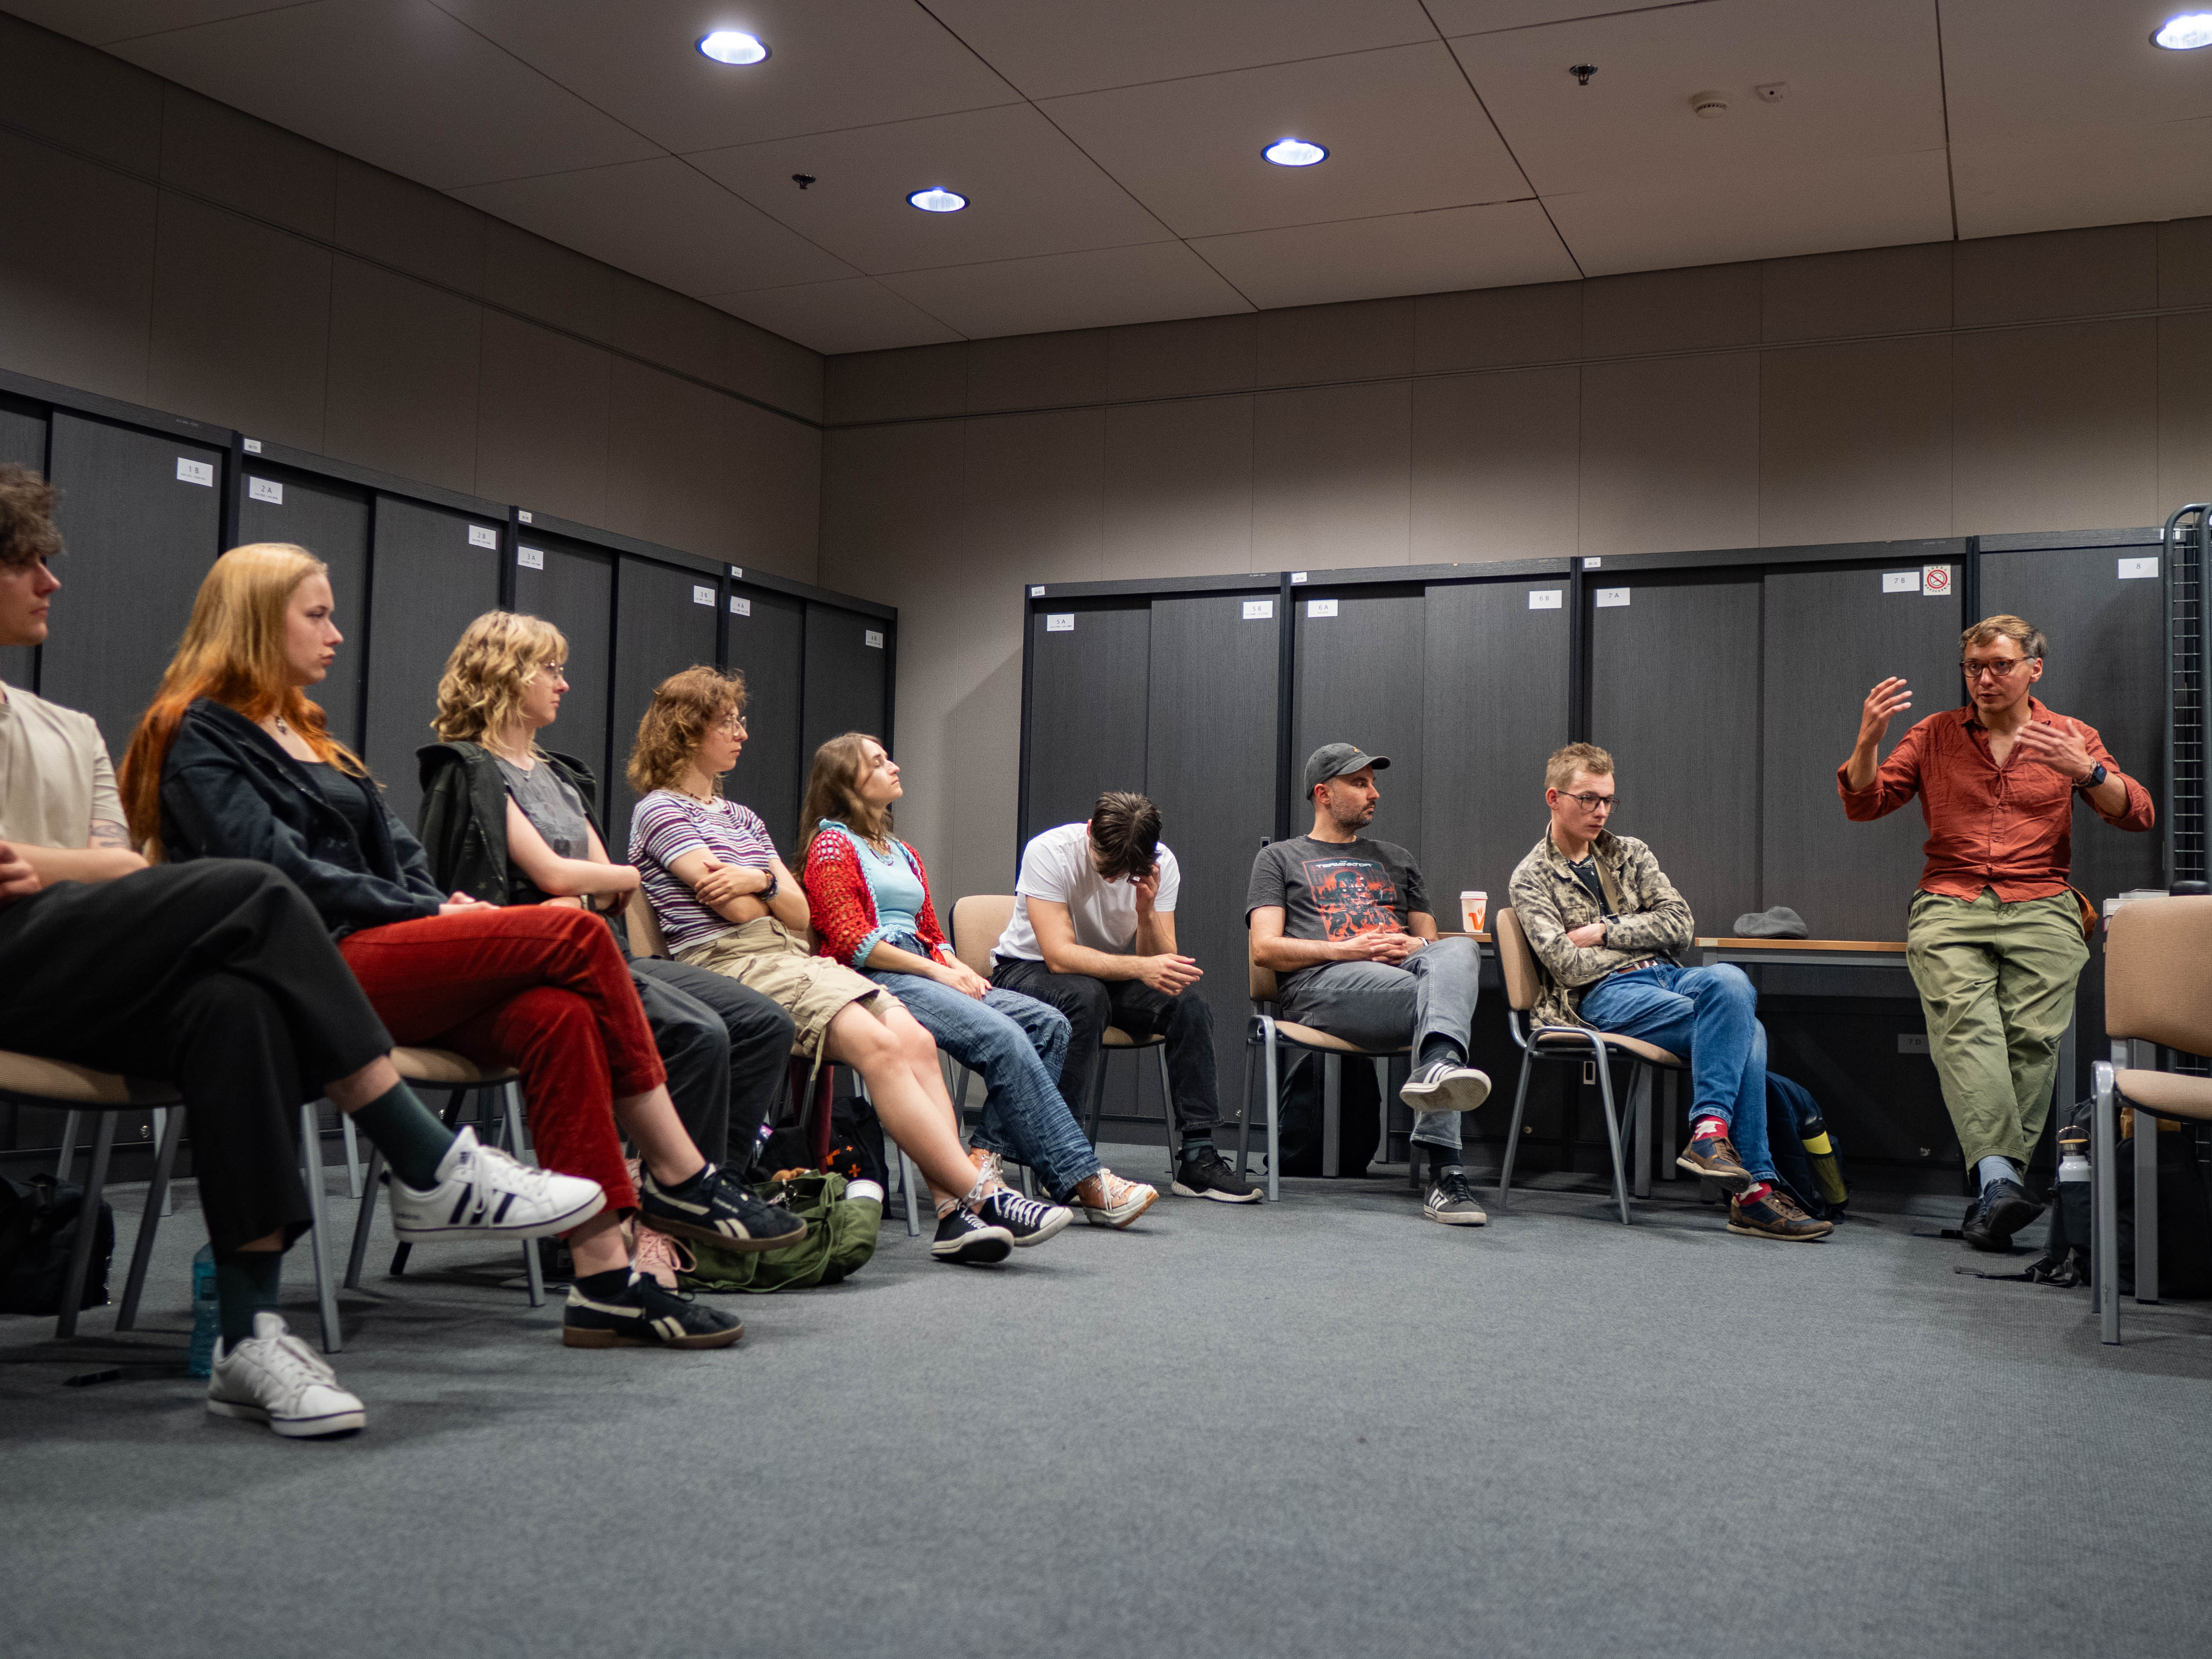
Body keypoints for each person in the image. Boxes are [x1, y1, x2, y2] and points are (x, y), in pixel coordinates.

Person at [0, 468, 602, 1438]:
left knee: (236, 1004)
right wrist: (70, 865)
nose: (51, 580)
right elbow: (135, 867)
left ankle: (248, 1338)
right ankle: (427, 1159)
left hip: (77, 960)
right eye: (25, 561)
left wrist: (36, 860)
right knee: (259, 888)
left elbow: (118, 865)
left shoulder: (67, 728)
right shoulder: (195, 730)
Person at [121, 543, 792, 1354]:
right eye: (317, 615)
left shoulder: (310, 733)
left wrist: (436, 903)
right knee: (578, 932)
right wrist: (427, 907)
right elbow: (275, 872)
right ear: (259, 622)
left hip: (384, 946)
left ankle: (605, 1282)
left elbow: (399, 847)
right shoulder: (198, 732)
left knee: (556, 1015)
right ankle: (683, 1178)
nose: (336, 634)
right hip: (306, 966)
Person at [626, 666, 1071, 1264]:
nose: (742, 734)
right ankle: (982, 1195)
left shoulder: (743, 818)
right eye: (727, 722)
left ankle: (953, 1215)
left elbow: (800, 912)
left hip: (789, 957)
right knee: (880, 1045)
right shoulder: (660, 811)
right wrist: (765, 889)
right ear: (687, 730)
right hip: (727, 964)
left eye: (739, 720)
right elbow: (733, 911)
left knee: (915, 1040)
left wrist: (757, 881)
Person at [415, 611, 805, 1279]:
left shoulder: (559, 774)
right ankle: (655, 1212)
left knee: (763, 1022)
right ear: (507, 676)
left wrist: (588, 888)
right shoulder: (471, 769)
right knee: (700, 1035)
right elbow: (557, 874)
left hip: (598, 949)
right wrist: (590, 886)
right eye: (551, 670)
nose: (564, 684)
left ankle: (703, 1197)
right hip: (531, 965)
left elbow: (612, 885)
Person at [1839, 614, 2153, 1251]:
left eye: (2000, 666)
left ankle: (1994, 1189)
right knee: (1966, 1024)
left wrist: (2088, 772)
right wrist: (1868, 741)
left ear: (2034, 669)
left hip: (2043, 901)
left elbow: (2138, 815)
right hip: (1950, 900)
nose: (1984, 679)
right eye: (1974, 668)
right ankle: (1999, 1181)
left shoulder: (2072, 736)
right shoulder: (1934, 734)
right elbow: (1867, 803)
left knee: (2032, 1041)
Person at [799, 732, 1155, 1228]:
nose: (894, 767)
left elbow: (928, 929)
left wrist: (954, 963)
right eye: (878, 763)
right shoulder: (832, 845)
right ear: (847, 784)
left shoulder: (901, 850)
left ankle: (983, 1156)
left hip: (925, 966)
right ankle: (1087, 1180)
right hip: (878, 977)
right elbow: (850, 942)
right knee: (1005, 1036)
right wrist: (934, 969)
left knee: (1050, 1025)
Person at [1509, 742, 1831, 1242]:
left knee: (1731, 980)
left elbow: (1681, 928)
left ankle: (1709, 1133)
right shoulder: (1531, 878)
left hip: (1667, 974)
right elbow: (1568, 967)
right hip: (1605, 996)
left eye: (1608, 800)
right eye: (1588, 799)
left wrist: (1605, 931)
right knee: (1747, 1028)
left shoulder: (1630, 853)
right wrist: (1641, 934)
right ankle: (1754, 1193)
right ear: (1555, 798)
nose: (1601, 811)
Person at [1247, 745, 1493, 1225]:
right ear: (1323, 794)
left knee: (1461, 950)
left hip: (1402, 977)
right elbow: (1265, 949)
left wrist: (1417, 947)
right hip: (1322, 985)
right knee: (1441, 1002)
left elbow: (1429, 941)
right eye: (1359, 784)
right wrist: (1348, 949)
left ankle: (1436, 1066)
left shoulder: (1397, 859)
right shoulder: (1279, 859)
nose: (1374, 794)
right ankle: (1446, 1172)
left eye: (1373, 783)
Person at [992, 793, 1263, 1204]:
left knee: (1187, 1005)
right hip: (1028, 969)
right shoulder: (1049, 852)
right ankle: (1062, 1156)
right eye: (1107, 867)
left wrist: (1146, 911)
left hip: (1107, 975)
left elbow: (1162, 961)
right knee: (1086, 997)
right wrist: (1139, 968)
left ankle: (1198, 1157)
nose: (1114, 879)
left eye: (1126, 873)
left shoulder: (1161, 863)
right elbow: (1060, 957)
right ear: (1090, 831)